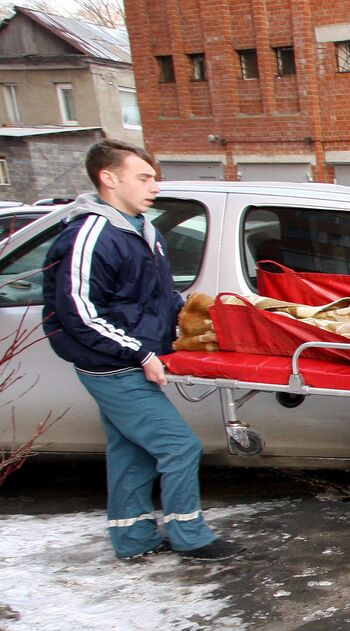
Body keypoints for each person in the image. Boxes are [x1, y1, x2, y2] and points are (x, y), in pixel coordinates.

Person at [42, 140, 244, 561]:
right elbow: (78, 311)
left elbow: (156, 295)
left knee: (131, 450)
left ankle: (133, 538)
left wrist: (192, 315)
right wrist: (141, 354)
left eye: (154, 177)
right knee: (179, 446)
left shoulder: (142, 231)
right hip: (110, 367)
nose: (155, 186)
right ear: (109, 179)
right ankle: (190, 536)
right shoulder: (90, 234)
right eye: (144, 177)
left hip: (128, 359)